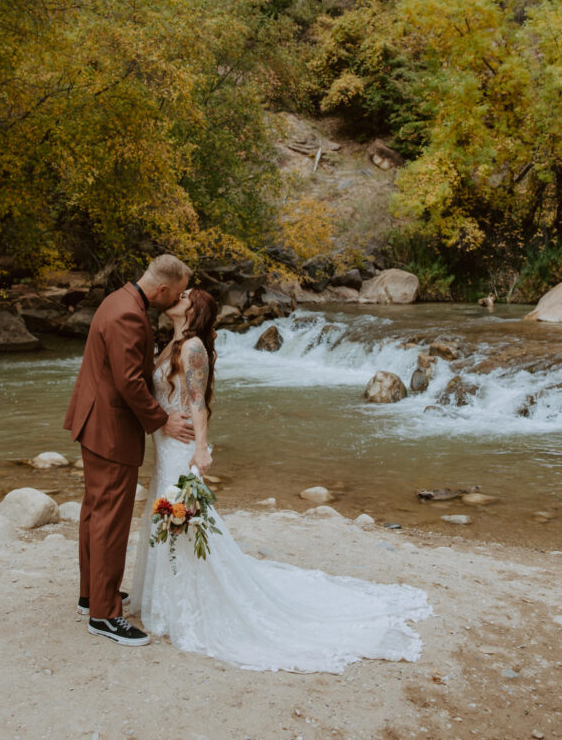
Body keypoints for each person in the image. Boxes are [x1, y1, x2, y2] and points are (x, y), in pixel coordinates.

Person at [131, 288, 432, 673]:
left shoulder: (191, 349)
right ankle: (167, 601)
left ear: (195, 311)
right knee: (168, 519)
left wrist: (202, 449)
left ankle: (190, 606)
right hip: (166, 446)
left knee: (184, 522)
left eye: (186, 295)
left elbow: (197, 403)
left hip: (181, 449)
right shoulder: (170, 344)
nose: (177, 295)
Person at [64, 254, 194, 647]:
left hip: (95, 421)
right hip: (110, 429)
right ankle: (104, 615)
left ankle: (92, 596)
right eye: (176, 293)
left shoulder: (117, 299)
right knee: (110, 519)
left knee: (95, 511)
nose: (177, 299)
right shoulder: (130, 316)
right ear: (162, 290)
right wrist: (162, 420)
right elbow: (130, 383)